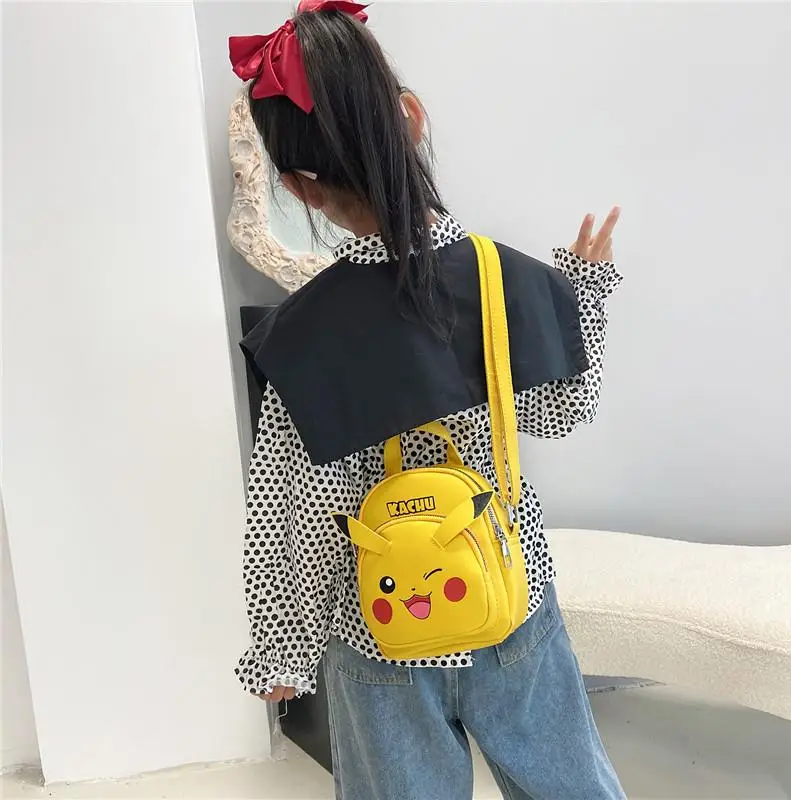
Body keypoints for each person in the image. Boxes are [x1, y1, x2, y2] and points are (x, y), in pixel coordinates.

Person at [229, 2, 625, 798]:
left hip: (379, 625)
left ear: (301, 189)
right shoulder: (505, 280)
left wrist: (282, 646)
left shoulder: (305, 334)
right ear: (412, 118)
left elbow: (289, 508)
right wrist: (583, 290)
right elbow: (560, 410)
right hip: (506, 596)